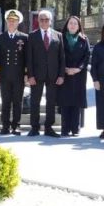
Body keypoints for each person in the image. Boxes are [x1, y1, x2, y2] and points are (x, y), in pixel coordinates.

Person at [26, 9, 65, 137]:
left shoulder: (58, 35)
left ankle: (49, 127)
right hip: (36, 75)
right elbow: (29, 58)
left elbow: (62, 57)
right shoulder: (32, 36)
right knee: (35, 101)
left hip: (53, 75)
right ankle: (34, 127)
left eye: (46, 19)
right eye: (41, 19)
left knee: (51, 101)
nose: (44, 22)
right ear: (38, 21)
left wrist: (61, 75)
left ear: (51, 21)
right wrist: (30, 75)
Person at [0, 9, 28, 135]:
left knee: (17, 101)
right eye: (9, 20)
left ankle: (16, 125)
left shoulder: (24, 38)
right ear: (6, 22)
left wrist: (26, 74)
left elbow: (27, 58)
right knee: (6, 101)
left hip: (19, 75)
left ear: (18, 22)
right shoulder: (1, 38)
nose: (11, 23)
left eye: (14, 21)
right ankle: (5, 125)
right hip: (5, 75)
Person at [59, 15, 90, 137]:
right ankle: (65, 128)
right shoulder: (60, 38)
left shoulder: (84, 39)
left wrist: (78, 69)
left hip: (79, 75)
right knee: (65, 101)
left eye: (75, 24)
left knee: (76, 102)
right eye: (70, 23)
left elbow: (87, 56)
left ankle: (75, 128)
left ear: (79, 26)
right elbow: (57, 55)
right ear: (67, 25)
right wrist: (65, 69)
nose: (72, 25)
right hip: (64, 74)